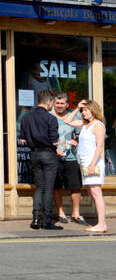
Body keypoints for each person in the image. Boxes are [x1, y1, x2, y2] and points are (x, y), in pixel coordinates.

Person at [19, 89, 62, 230]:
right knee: (48, 188)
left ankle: (36, 219)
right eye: (53, 103)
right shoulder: (51, 118)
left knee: (39, 187)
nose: (53, 106)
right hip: (48, 154)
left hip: (34, 154)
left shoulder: (26, 118)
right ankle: (47, 221)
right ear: (49, 102)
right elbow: (54, 141)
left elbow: (23, 139)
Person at [51, 93, 84, 224]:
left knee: (75, 186)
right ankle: (61, 212)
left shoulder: (74, 116)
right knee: (57, 186)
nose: (59, 106)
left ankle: (76, 213)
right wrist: (55, 149)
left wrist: (76, 140)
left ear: (67, 104)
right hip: (55, 156)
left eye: (62, 103)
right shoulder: (49, 116)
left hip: (71, 156)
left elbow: (80, 134)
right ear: (53, 103)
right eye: (57, 103)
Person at [76, 99, 107, 234]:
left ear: (93, 110)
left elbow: (99, 146)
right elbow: (67, 121)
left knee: (96, 192)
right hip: (85, 162)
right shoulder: (85, 125)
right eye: (82, 111)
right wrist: (77, 108)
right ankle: (101, 223)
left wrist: (92, 164)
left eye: (86, 110)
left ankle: (102, 224)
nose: (83, 113)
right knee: (91, 192)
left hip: (92, 163)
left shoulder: (98, 125)